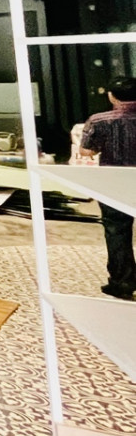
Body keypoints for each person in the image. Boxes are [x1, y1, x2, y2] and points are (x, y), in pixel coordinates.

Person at [79, 76, 136, 300]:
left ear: (111, 96)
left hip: (114, 183)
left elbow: (87, 151)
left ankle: (122, 282)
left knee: (117, 231)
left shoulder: (99, 120)